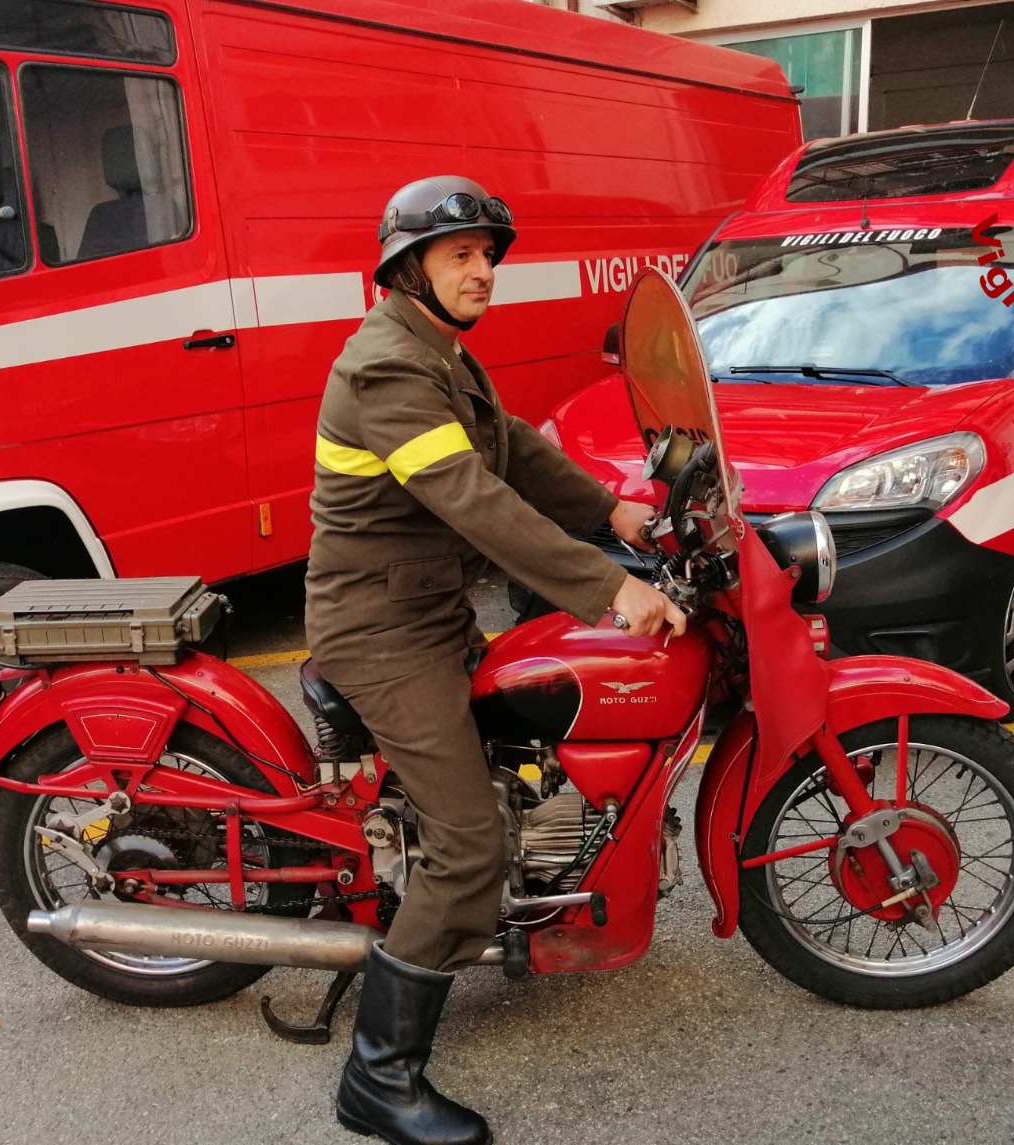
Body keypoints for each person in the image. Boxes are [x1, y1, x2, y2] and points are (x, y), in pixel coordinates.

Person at [305, 175, 685, 1145]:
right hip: (383, 629)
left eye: (486, 253)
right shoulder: (386, 366)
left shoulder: (436, 352)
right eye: (459, 254)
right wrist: (608, 585)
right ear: (409, 266)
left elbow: (509, 448)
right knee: (467, 841)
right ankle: (377, 1080)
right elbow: (469, 495)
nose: (481, 270)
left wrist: (613, 508)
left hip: (426, 609)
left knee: (517, 753)